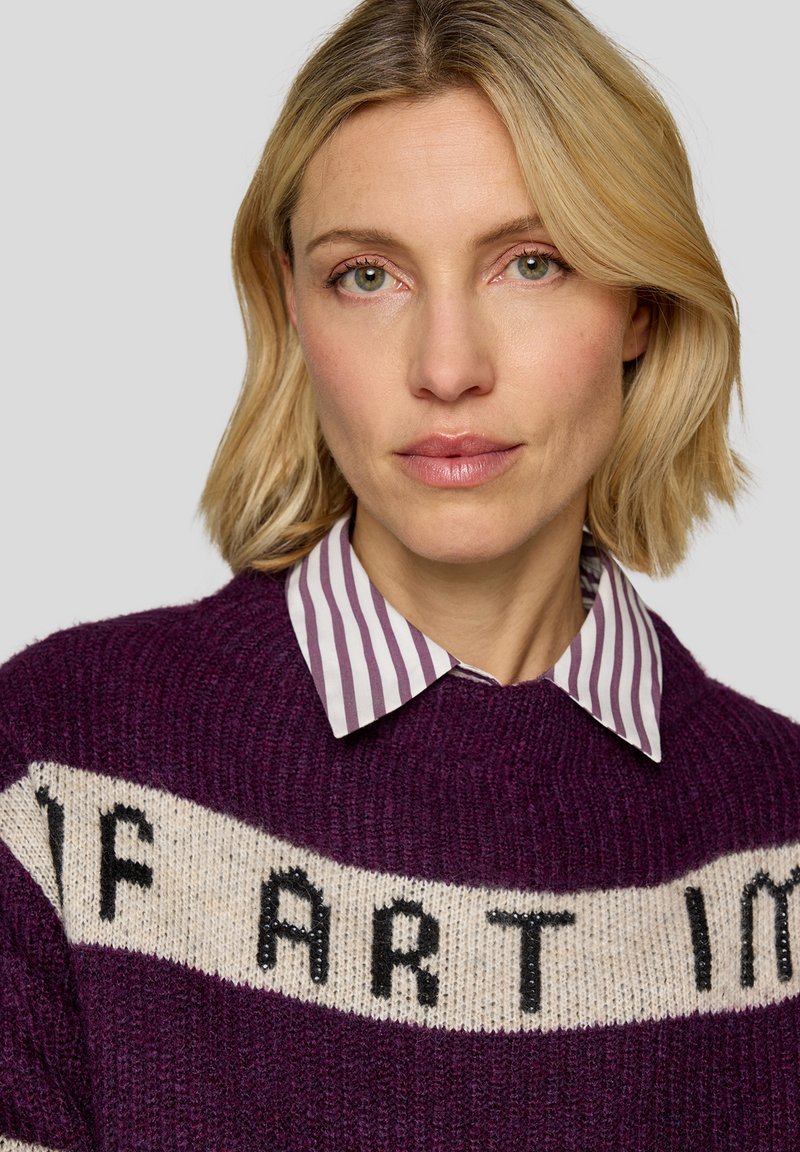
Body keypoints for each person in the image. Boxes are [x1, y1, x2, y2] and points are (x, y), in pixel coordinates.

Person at [1, 0, 797, 1148]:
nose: (445, 367)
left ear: (639, 303)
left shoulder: (778, 843)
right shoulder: (61, 771)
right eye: (366, 275)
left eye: (530, 263)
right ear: (290, 302)